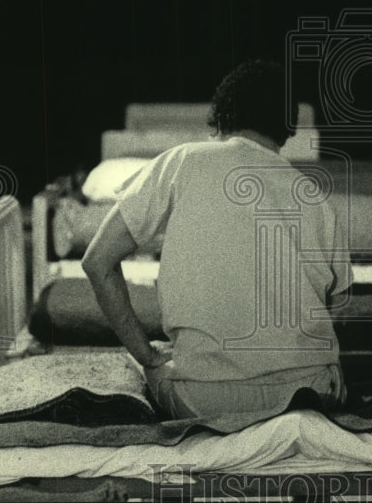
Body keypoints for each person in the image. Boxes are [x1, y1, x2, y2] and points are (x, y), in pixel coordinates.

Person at [82, 60, 350, 430]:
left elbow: (97, 262)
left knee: (142, 366)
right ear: (287, 126)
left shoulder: (181, 162)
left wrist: (146, 355)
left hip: (205, 399)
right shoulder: (316, 197)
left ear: (222, 114)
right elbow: (337, 306)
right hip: (309, 396)